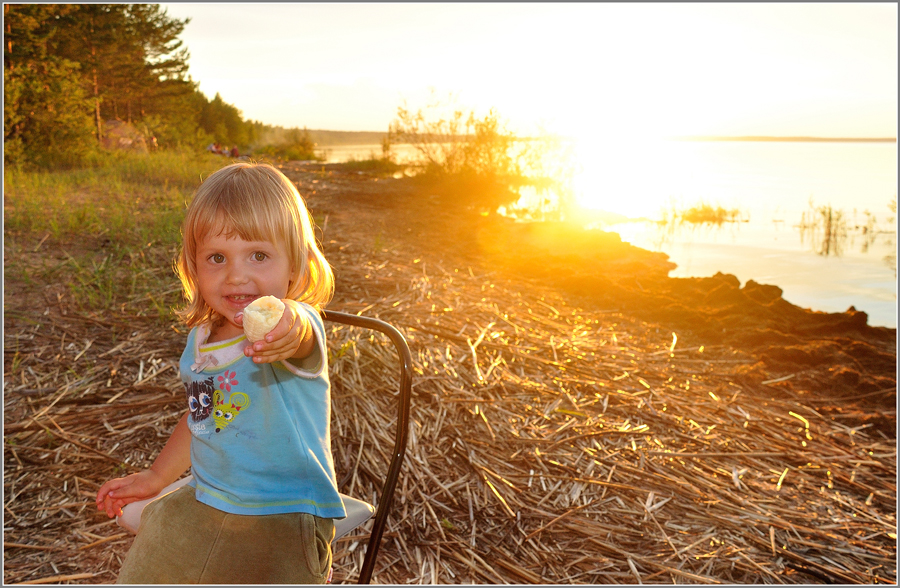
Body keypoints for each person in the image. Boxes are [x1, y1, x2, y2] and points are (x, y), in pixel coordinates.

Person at [96, 162, 344, 584]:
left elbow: (300, 332)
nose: (236, 275)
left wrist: (290, 326)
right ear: (194, 267)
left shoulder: (292, 327)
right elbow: (203, 418)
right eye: (217, 258)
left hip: (286, 513)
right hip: (208, 498)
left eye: (259, 256)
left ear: (295, 265)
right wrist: (156, 476)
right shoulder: (200, 341)